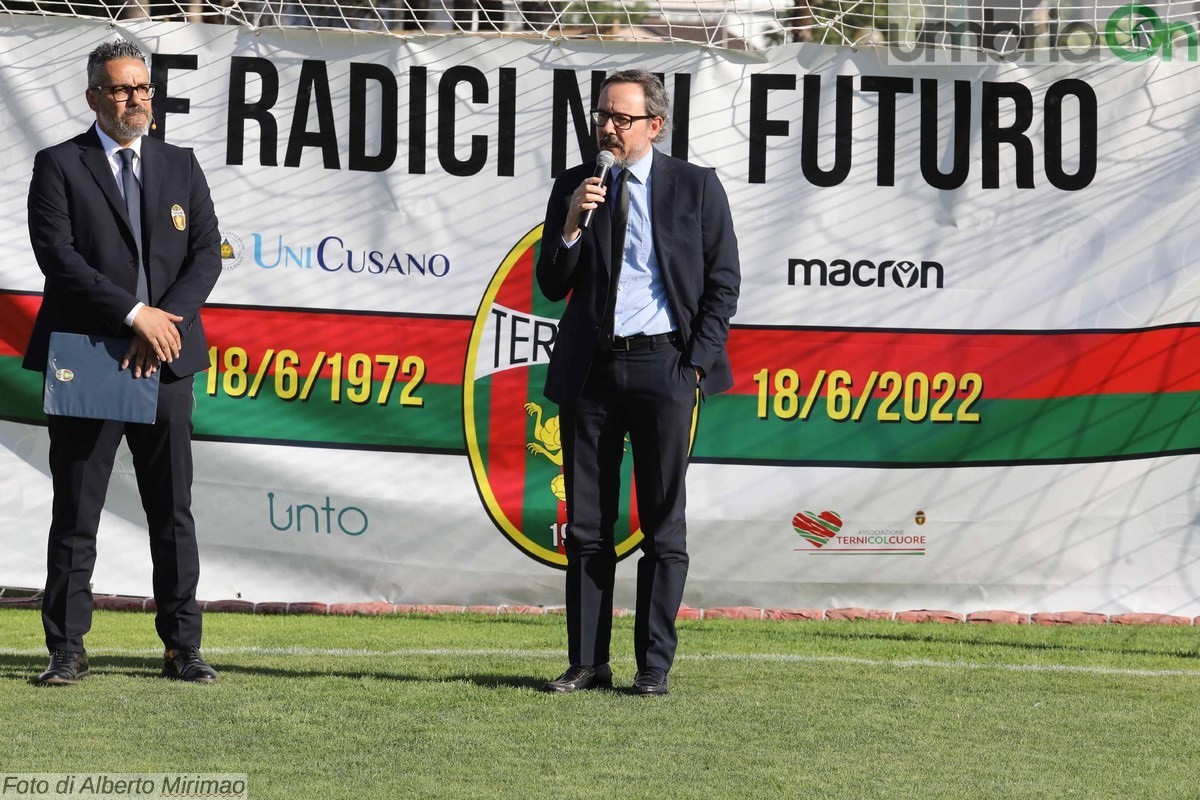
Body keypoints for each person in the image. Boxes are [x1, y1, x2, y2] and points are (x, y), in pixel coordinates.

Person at [535, 70, 740, 696]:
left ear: (655, 124)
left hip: (664, 367)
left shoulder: (695, 187)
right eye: (602, 115)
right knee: (589, 528)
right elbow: (552, 281)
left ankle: (653, 667)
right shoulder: (577, 185)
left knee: (662, 527)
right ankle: (588, 661)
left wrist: (694, 364)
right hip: (592, 369)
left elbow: (722, 282)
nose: (608, 127)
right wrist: (572, 223)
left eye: (622, 117)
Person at [24, 40, 223, 686]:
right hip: (90, 357)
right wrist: (134, 316)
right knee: (76, 509)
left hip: (164, 362)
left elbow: (206, 257)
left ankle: (182, 647)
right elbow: (59, 258)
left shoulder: (181, 165)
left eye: (141, 87)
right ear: (93, 98)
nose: (134, 98)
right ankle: (67, 648)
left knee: (173, 511)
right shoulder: (59, 166)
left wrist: (160, 322)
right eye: (119, 89)